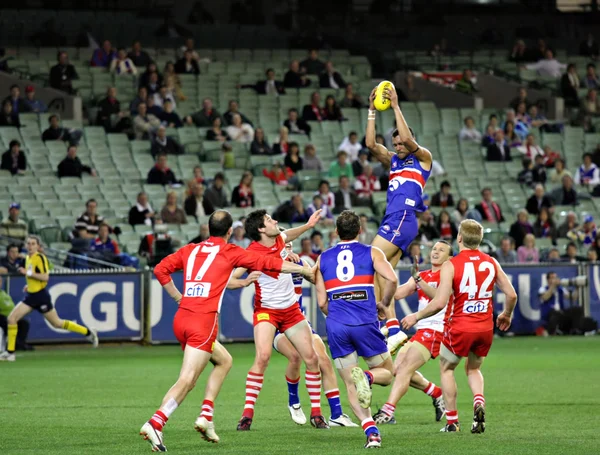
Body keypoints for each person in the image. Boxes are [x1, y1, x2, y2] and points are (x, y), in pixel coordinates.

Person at [140, 210, 316, 451]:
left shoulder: (191, 249)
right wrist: (304, 270)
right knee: (188, 379)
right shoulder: (230, 251)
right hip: (203, 321)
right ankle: (156, 422)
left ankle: (206, 416)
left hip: (181, 319)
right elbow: (269, 263)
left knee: (224, 361)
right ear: (230, 231)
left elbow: (160, 269)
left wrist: (179, 298)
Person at [229, 227, 357, 428]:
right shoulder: (259, 257)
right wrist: (245, 281)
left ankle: (335, 414)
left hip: (294, 316)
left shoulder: (299, 263)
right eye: (283, 244)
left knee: (322, 358)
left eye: (289, 244)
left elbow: (317, 280)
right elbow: (233, 277)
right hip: (272, 320)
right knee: (292, 357)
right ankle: (293, 401)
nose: (286, 247)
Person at [401, 220, 518, 433]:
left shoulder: (451, 264)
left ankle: (452, 422)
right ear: (480, 239)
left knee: (447, 369)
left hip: (460, 326)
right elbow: (511, 294)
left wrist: (415, 316)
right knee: (473, 368)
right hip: (484, 328)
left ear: (459, 238)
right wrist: (506, 314)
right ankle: (478, 401)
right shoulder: (491, 262)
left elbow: (439, 302)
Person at [315, 210, 398, 449]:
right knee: (387, 373)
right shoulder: (372, 252)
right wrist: (383, 303)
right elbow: (391, 279)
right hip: (365, 323)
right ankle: (369, 376)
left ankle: (371, 432)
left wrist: (338, 316)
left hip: (337, 327)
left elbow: (322, 302)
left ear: (336, 232)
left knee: (350, 385)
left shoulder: (323, 258)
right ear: (360, 230)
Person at [365, 83, 433, 354]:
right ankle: (391, 329)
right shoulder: (393, 161)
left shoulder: (423, 159)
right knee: (382, 275)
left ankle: (391, 325)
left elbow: (408, 140)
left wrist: (394, 106)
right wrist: (371, 111)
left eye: (401, 142)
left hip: (403, 218)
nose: (397, 146)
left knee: (370, 257)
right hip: (391, 220)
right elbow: (371, 144)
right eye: (394, 143)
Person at [374, 241, 452, 425]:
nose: (436, 252)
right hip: (421, 331)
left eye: (441, 250)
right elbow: (397, 294)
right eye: (434, 249)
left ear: (450, 258)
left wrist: (418, 280)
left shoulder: (448, 276)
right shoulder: (422, 275)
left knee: (405, 369)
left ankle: (387, 412)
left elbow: (439, 297)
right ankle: (437, 394)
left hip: (437, 330)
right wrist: (384, 279)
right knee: (397, 370)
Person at [0, 236, 98, 362]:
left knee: (57, 323)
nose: (30, 246)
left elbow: (45, 277)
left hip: (40, 296)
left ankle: (88, 332)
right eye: (28, 243)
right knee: (12, 318)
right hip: (32, 295)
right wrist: (29, 285)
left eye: (33, 244)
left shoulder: (40, 258)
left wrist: (28, 274)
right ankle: (10, 353)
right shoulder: (28, 258)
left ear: (37, 246)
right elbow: (36, 279)